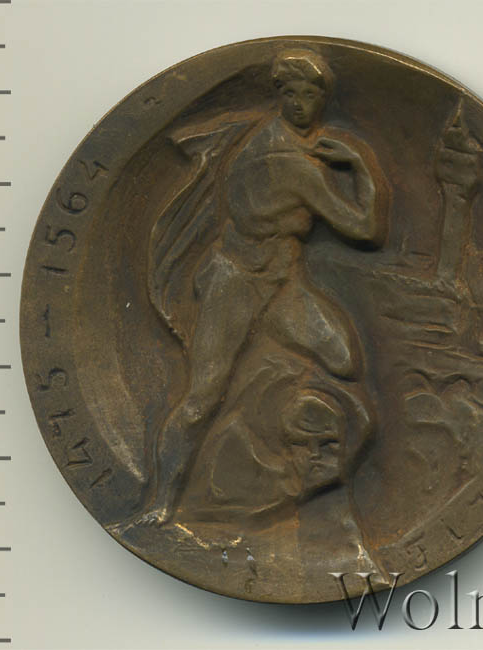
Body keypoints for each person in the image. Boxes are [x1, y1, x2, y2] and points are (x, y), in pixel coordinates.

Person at [139, 49, 387, 526]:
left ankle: (282, 419)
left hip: (282, 280)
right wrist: (360, 166)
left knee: (342, 359)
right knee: (202, 398)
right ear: (279, 97)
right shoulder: (286, 162)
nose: (299, 104)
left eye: (309, 95)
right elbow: (365, 229)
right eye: (291, 94)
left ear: (320, 100)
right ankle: (160, 505)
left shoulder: (283, 144)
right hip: (238, 280)